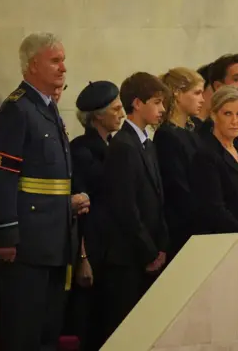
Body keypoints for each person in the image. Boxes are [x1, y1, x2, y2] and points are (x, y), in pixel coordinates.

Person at [0, 32, 89, 351]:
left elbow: (50, 179)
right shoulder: (18, 109)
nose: (63, 68)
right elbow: (0, 176)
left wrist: (66, 206)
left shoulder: (47, 108)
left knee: (48, 333)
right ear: (32, 66)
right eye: (55, 61)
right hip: (27, 244)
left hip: (55, 239)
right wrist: (5, 235)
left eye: (63, 61)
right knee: (23, 333)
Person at [99, 72, 169, 342]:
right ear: (137, 103)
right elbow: (125, 207)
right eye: (156, 102)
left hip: (147, 253)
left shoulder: (146, 144)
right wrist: (149, 251)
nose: (162, 109)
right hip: (128, 258)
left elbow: (158, 199)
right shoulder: (123, 145)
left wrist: (162, 245)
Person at [68, 80, 124, 350]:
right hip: (93, 248)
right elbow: (80, 209)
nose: (122, 114)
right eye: (116, 109)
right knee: (90, 325)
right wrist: (83, 258)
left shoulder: (116, 146)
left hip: (114, 250)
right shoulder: (81, 149)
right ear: (98, 116)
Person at [190, 85, 238, 233]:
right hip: (224, 240)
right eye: (227, 114)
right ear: (214, 115)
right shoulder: (206, 155)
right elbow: (214, 209)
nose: (235, 121)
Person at [154, 67, 205, 256]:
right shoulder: (167, 135)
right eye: (197, 93)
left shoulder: (193, 132)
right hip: (183, 229)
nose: (202, 99)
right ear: (177, 93)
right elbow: (178, 188)